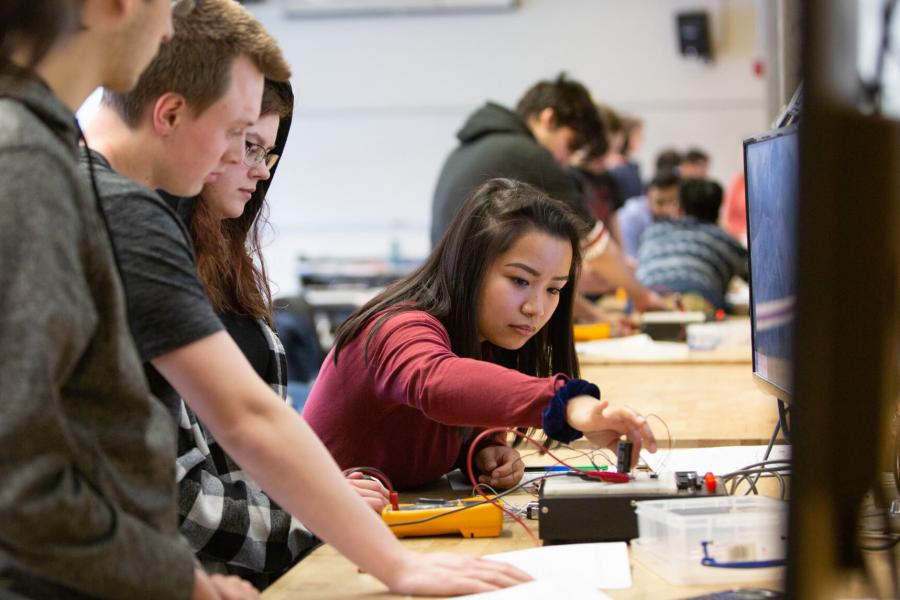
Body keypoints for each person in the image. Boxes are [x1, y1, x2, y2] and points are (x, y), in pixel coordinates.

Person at [82, 1, 529, 595]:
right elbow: (232, 430)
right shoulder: (118, 213)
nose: (251, 165)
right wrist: (389, 561)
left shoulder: (85, 190)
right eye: (239, 137)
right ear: (170, 112)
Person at [0, 0, 255, 598]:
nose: (168, 29)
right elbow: (20, 480)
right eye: (166, 6)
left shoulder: (44, 148)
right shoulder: (25, 159)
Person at [304, 178, 658, 490]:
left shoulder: (489, 337)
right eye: (520, 281)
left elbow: (453, 411)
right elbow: (437, 382)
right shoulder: (399, 328)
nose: (536, 307)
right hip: (308, 533)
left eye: (554, 289)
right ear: (469, 267)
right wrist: (566, 402)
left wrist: (484, 451)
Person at [430, 73, 666, 315]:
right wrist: (643, 296)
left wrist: (597, 317)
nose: (566, 160)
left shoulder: (469, 148)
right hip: (481, 306)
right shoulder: (529, 155)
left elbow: (543, 283)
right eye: (571, 145)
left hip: (453, 302)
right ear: (549, 119)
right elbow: (597, 245)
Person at [636, 179, 748, 313]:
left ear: (680, 207)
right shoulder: (723, 240)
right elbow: (757, 277)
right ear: (718, 210)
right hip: (693, 298)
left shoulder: (653, 231)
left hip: (645, 297)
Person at [616, 170, 681, 259]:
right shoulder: (632, 216)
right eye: (660, 203)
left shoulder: (682, 214)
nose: (667, 209)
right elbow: (630, 257)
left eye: (673, 202)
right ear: (647, 198)